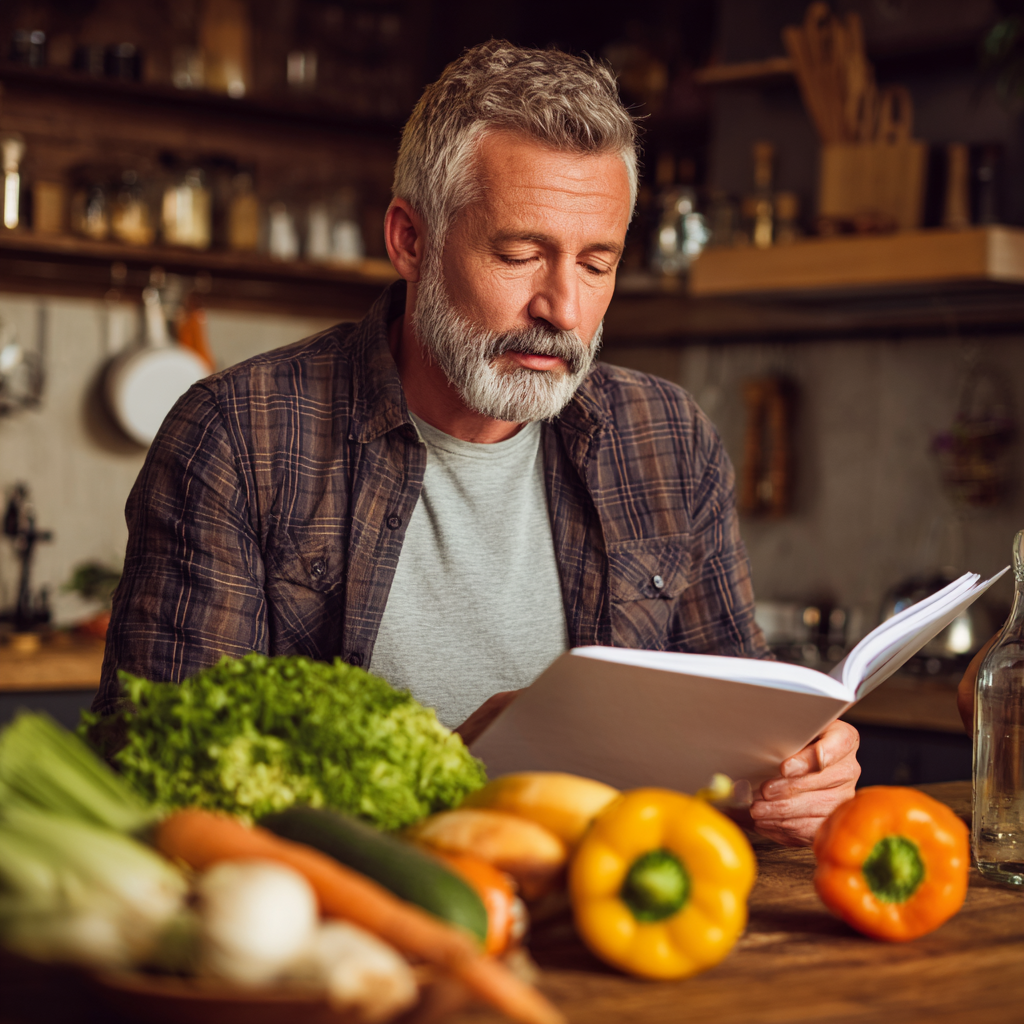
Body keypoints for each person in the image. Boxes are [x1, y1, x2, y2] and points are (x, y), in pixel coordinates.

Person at [94, 41, 859, 846]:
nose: (562, 308)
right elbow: (154, 779)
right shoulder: (239, 434)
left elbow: (745, 711)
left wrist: (793, 777)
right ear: (410, 241)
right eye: (520, 254)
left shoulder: (667, 437)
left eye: (596, 264)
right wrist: (455, 773)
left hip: (622, 911)